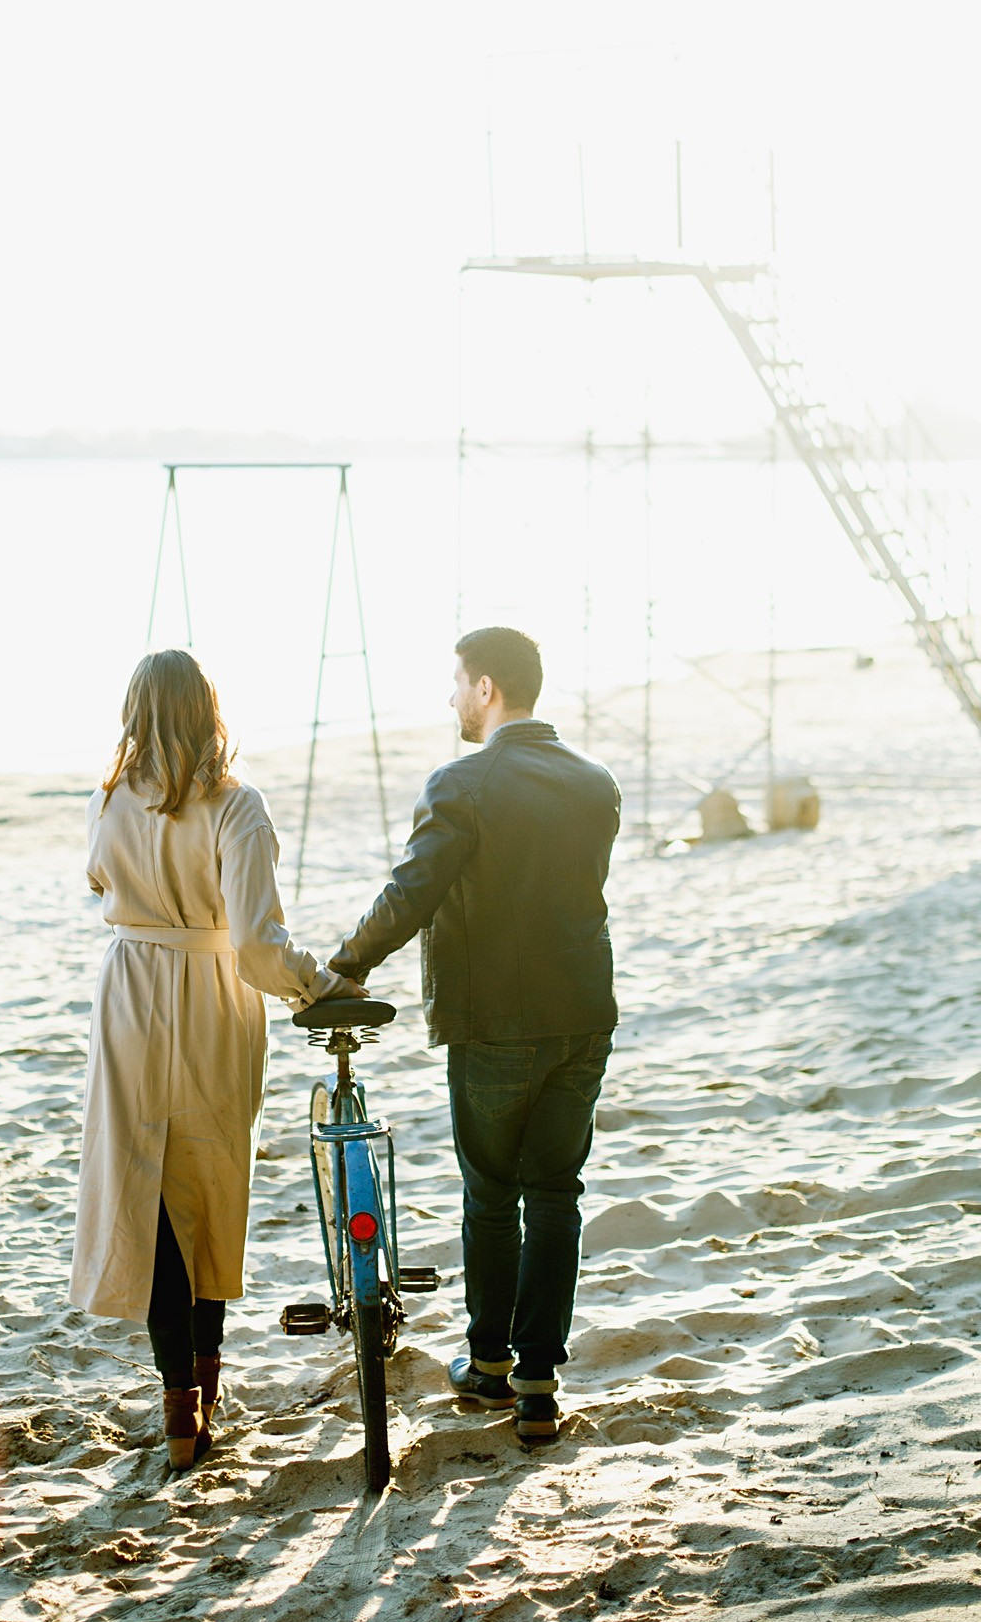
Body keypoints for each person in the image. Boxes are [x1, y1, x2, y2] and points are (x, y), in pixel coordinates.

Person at [69, 650, 363, 1470]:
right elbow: (258, 946)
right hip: (208, 1000)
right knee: (208, 1186)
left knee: (148, 1189)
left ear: (136, 713)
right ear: (207, 711)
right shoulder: (237, 804)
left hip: (129, 993)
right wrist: (318, 983)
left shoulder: (107, 799)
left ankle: (177, 1409)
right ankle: (206, 1377)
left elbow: (99, 880)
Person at [329, 626, 619, 1440]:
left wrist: (350, 964)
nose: (451, 698)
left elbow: (412, 891)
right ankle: (538, 1384)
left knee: (492, 1194)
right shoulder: (595, 782)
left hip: (494, 1023)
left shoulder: (464, 782)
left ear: (486, 687)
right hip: (583, 1015)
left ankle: (489, 1365)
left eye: (457, 683)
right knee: (557, 1193)